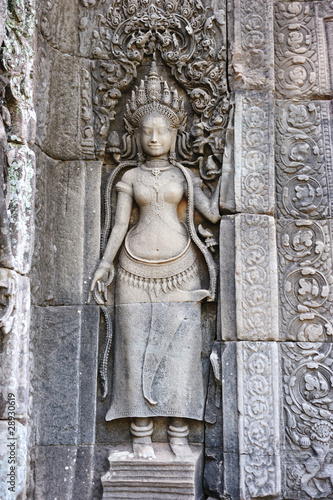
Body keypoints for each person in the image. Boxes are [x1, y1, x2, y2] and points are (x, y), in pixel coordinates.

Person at [90, 60, 221, 459]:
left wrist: (224, 164)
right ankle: (141, 436)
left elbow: (213, 214)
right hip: (133, 269)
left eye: (161, 130)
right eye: (146, 131)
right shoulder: (129, 177)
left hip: (181, 270)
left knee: (182, 352)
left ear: (174, 134)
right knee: (133, 351)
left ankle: (179, 433)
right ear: (136, 135)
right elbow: (116, 228)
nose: (154, 137)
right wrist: (104, 265)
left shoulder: (186, 177)